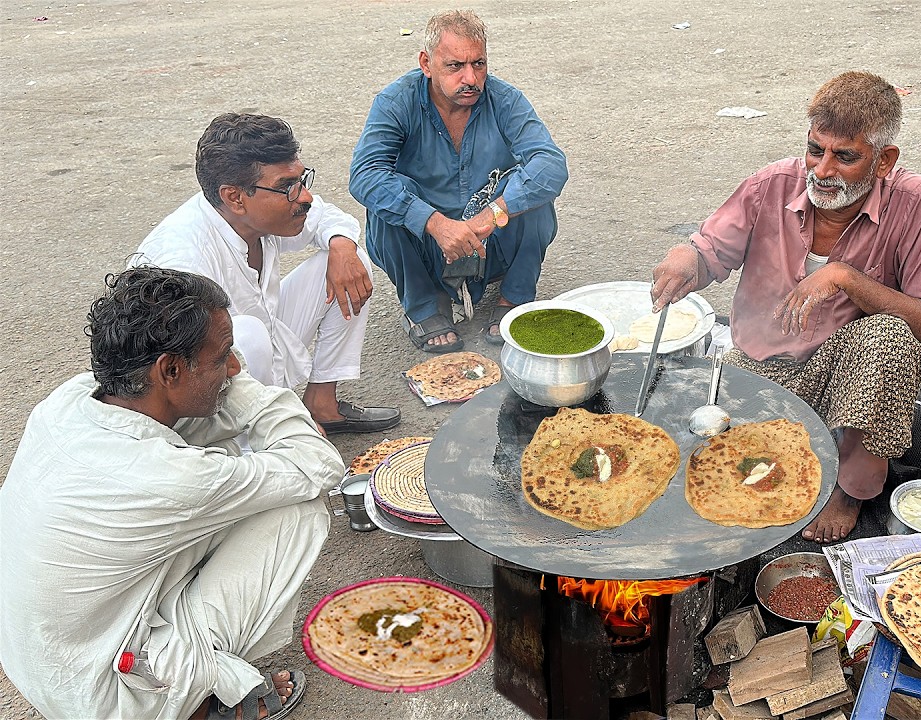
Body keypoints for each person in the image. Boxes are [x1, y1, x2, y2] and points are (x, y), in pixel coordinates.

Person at [0, 267, 341, 720]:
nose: (236, 368)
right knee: (297, 509)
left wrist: (216, 381)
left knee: (216, 449)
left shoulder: (71, 399)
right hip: (101, 696)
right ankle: (194, 701)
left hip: (45, 659)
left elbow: (196, 416)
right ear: (171, 369)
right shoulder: (171, 479)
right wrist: (258, 399)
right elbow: (318, 465)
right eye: (223, 357)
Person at [651, 71, 921, 543]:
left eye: (845, 157)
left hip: (847, 382)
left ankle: (851, 490)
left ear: (884, 161)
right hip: (759, 367)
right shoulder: (770, 185)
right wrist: (685, 257)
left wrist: (846, 278)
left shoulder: (914, 201)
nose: (822, 170)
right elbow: (712, 248)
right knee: (694, 461)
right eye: (816, 150)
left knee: (892, 339)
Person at [135, 113, 400, 435]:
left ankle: (321, 404)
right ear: (234, 197)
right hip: (206, 394)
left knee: (349, 257)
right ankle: (257, 436)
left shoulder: (254, 211)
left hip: (261, 347)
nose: (304, 196)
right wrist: (284, 422)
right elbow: (190, 373)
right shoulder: (181, 260)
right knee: (245, 333)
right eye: (287, 186)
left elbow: (329, 218)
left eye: (301, 180)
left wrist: (342, 245)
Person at [350, 10, 569, 353]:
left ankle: (514, 298)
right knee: (386, 201)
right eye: (455, 66)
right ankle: (424, 306)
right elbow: (364, 175)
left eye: (478, 64)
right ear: (426, 63)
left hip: (489, 242)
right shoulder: (396, 102)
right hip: (425, 249)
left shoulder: (505, 100)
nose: (471, 78)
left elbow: (551, 164)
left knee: (532, 194)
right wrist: (434, 223)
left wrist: (492, 214)